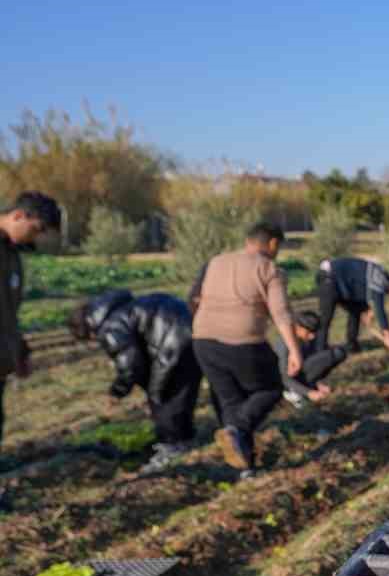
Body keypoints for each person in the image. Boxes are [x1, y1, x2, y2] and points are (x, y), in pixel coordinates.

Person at [190, 222, 301, 476]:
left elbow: (193, 299)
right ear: (272, 243)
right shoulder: (268, 268)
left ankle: (246, 467)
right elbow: (281, 313)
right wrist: (295, 350)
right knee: (271, 388)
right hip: (243, 342)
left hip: (203, 341)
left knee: (231, 400)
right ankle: (236, 430)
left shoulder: (216, 262)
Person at [69, 289, 205, 451]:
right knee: (181, 393)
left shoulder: (110, 327)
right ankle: (184, 439)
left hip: (174, 346)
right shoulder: (127, 308)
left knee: (163, 396)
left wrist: (117, 391)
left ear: (87, 330)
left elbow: (131, 366)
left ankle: (172, 447)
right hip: (196, 335)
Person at [0, 192, 61, 451]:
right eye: (36, 230)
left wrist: (20, 350)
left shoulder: (11, 253)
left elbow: (8, 311)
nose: (36, 237)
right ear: (18, 216)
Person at [313, 257, 389, 357]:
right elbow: (380, 310)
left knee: (356, 310)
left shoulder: (381, 274)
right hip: (328, 277)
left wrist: (368, 313)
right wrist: (388, 336)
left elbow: (368, 296)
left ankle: (352, 345)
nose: (387, 294)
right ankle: (320, 350)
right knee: (325, 318)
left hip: (343, 283)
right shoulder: (379, 281)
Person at [274, 310, 346, 408]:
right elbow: (284, 378)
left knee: (338, 353)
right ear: (298, 327)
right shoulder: (284, 344)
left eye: (315, 332)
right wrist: (309, 393)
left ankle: (309, 385)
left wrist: (318, 384)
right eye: (309, 332)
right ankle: (292, 392)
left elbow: (313, 363)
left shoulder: (307, 338)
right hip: (285, 382)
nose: (313, 336)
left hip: (301, 374)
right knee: (330, 355)